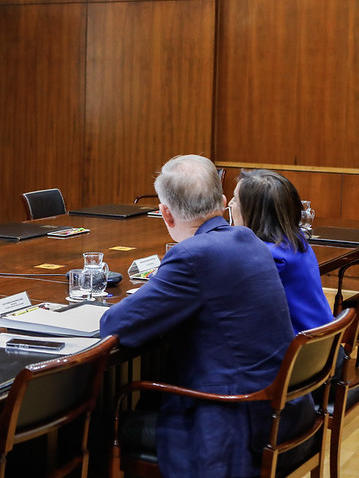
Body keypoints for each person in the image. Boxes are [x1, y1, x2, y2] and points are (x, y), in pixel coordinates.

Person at [99, 154, 315, 478]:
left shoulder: (191, 255)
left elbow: (114, 324)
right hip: (285, 413)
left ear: (166, 214)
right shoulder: (250, 240)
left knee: (97, 427)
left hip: (235, 424)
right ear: (223, 202)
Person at [229, 169, 334, 333]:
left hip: (302, 351)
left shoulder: (269, 257)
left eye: (235, 199)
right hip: (323, 342)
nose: (229, 204)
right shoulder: (296, 239)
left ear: (253, 212)